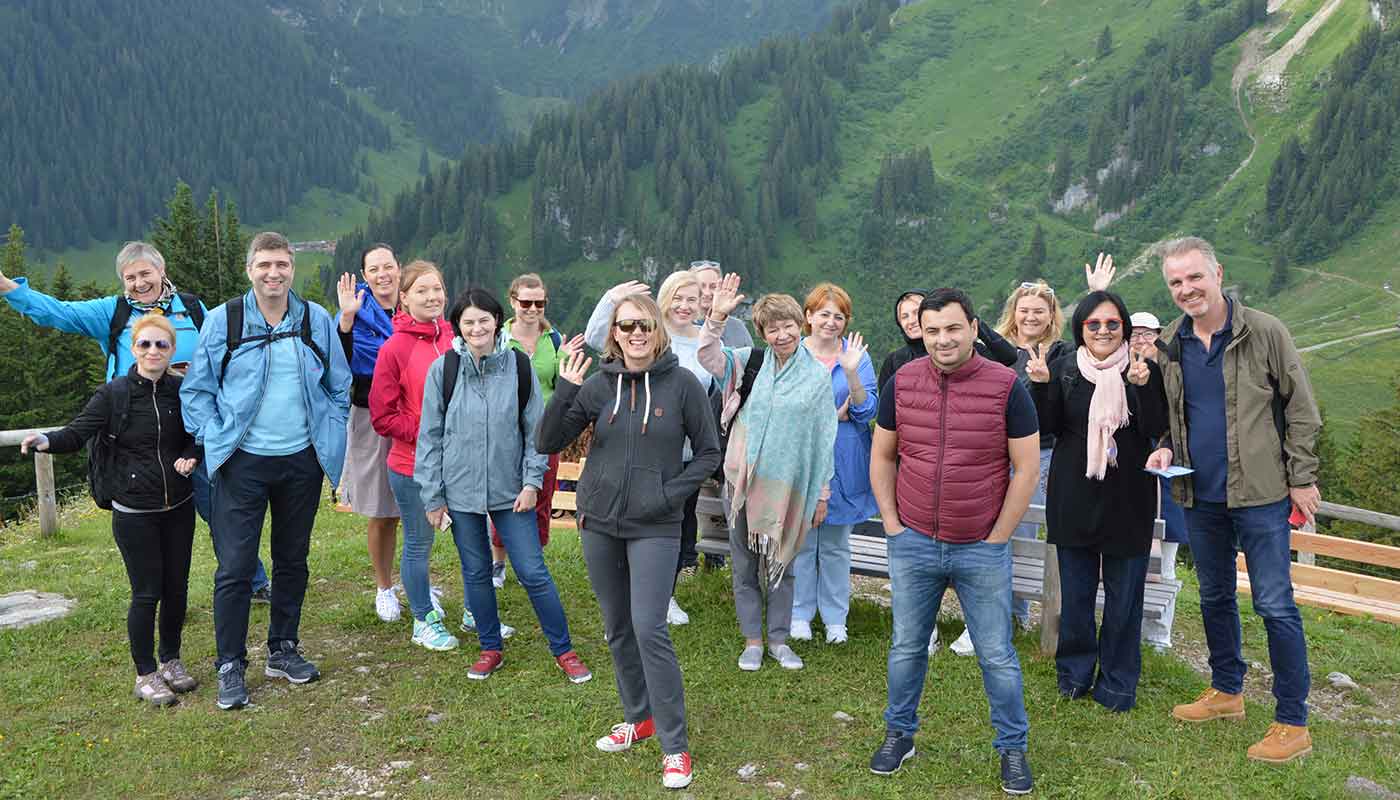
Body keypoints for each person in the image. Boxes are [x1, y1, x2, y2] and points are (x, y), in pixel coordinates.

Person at [0, 241, 272, 600]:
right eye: (130, 277)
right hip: (137, 439)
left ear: (161, 271)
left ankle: (253, 583)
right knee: (149, 521)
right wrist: (7, 286)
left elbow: (222, 355)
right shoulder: (111, 313)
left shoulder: (192, 309)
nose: (139, 283)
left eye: (146, 273)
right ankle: (155, 599)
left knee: (221, 510)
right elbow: (58, 312)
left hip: (195, 431)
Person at [1147, 237, 1321, 763]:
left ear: (1218, 273)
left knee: (1274, 604)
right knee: (1215, 596)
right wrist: (1163, 446)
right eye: (1176, 282)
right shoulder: (1170, 342)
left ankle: (1293, 721)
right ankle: (1227, 691)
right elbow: (1173, 415)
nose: (1186, 289)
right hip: (1199, 494)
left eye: (1194, 277)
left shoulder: (1264, 332)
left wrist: (1301, 478)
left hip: (1262, 495)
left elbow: (1302, 409)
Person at [538, 291, 720, 790]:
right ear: (614, 334)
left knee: (649, 628)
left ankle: (675, 746)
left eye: (644, 325)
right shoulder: (599, 385)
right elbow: (547, 441)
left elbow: (709, 453)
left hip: (655, 525)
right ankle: (639, 718)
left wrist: (667, 495)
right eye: (626, 326)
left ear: (657, 331)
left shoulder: (682, 385)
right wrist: (565, 389)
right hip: (599, 522)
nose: (636, 333)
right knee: (617, 628)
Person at [867, 288, 1038, 795]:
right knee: (906, 648)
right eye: (933, 330)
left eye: (953, 328)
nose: (943, 339)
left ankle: (1012, 748)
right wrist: (893, 525)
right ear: (921, 332)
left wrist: (997, 538)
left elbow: (1027, 469)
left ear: (974, 328)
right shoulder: (902, 382)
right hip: (914, 540)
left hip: (980, 545)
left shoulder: (1007, 387)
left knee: (997, 654)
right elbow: (883, 456)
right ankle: (899, 734)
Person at [181, 231, 352, 711]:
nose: (273, 274)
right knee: (236, 566)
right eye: (264, 265)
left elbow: (339, 386)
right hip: (243, 461)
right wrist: (216, 437)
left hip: (301, 459)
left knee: (292, 560)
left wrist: (331, 431)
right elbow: (197, 390)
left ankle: (283, 648)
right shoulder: (225, 320)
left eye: (281, 265)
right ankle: (230, 664)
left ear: (292, 268)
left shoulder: (314, 319)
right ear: (249, 269)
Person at [22, 314, 200, 706]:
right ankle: (146, 674)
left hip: (178, 505)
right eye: (145, 344)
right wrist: (45, 440)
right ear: (133, 348)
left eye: (162, 345)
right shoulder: (113, 394)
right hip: (134, 511)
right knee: (147, 592)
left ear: (172, 350)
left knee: (176, 588)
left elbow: (196, 435)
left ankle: (171, 661)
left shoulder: (180, 390)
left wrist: (192, 456)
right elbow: (76, 433)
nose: (153, 351)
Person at [417, 287, 591, 684]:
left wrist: (531, 483)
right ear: (458, 326)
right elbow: (430, 438)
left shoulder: (519, 367)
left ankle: (564, 650)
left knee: (532, 571)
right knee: (476, 571)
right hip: (460, 490)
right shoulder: (443, 370)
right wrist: (433, 497)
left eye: (484, 320)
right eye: (469, 322)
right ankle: (490, 648)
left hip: (512, 491)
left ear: (497, 322)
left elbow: (536, 434)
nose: (477, 328)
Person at [1026, 290, 1168, 712]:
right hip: (1074, 495)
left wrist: (1142, 389)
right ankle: (1074, 677)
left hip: (1129, 498)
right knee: (1076, 596)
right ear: (1081, 329)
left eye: (1112, 324)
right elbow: (1046, 426)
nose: (1103, 331)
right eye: (1094, 324)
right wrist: (1040, 387)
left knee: (1125, 601)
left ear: (1124, 327)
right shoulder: (1065, 368)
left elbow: (1156, 428)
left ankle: (1118, 686)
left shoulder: (1142, 369)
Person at [698, 274, 837, 673]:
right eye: (772, 329)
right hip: (742, 482)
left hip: (789, 487)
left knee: (783, 563)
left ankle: (778, 639)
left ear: (801, 325)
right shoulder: (749, 362)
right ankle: (753, 641)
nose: (782, 335)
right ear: (762, 333)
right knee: (744, 564)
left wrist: (821, 493)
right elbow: (708, 356)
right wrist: (716, 318)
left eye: (788, 325)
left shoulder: (816, 376)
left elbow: (823, 437)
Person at [369, 261, 489, 650]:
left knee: (472, 540)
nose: (432, 297)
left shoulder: (458, 337)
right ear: (404, 298)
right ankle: (423, 621)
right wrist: (430, 431)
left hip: (464, 463)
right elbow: (382, 416)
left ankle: (476, 612)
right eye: (421, 290)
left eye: (437, 289)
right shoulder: (394, 348)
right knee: (419, 544)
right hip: (413, 467)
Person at [584, 272, 715, 626]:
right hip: (641, 451)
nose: (684, 306)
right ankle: (627, 598)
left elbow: (720, 377)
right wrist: (610, 299)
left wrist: (718, 320)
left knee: (679, 526)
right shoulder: (645, 333)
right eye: (678, 298)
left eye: (692, 299)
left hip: (685, 456)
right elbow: (597, 337)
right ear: (664, 300)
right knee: (629, 524)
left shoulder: (704, 339)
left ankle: (662, 596)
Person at [789, 283, 877, 645]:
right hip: (799, 456)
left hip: (844, 460)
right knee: (802, 542)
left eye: (839, 316)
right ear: (808, 317)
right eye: (824, 314)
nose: (831, 322)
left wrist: (851, 372)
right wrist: (828, 415)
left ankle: (835, 618)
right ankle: (799, 614)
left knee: (837, 545)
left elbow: (866, 411)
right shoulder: (792, 352)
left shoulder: (856, 356)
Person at [489, 273, 584, 590]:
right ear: (513, 301)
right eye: (526, 302)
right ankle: (498, 562)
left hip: (545, 432)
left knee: (542, 497)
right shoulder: (498, 338)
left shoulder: (553, 340)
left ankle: (533, 561)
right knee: (504, 496)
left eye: (539, 303)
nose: (532, 309)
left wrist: (564, 360)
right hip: (506, 432)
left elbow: (559, 386)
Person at [336, 243, 404, 622]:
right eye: (374, 269)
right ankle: (383, 587)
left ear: (399, 268)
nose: (382, 275)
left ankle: (416, 580)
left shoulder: (414, 303)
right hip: (373, 416)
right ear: (364, 275)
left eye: (387, 266)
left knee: (420, 506)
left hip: (416, 415)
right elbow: (339, 361)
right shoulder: (356, 309)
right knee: (382, 509)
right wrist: (346, 321)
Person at [1128, 310, 1190, 651]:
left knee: (1165, 559)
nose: (1140, 340)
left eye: (1148, 334)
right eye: (1134, 334)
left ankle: (1158, 635)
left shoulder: (1175, 373)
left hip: (1168, 476)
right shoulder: (1121, 373)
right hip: (1132, 476)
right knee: (1129, 558)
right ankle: (1129, 626)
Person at [877, 287, 1019, 390]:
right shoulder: (895, 361)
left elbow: (1009, 357)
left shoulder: (963, 351)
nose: (911, 321)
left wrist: (969, 319)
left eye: (916, 313)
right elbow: (887, 407)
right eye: (904, 316)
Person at [689, 260, 753, 347]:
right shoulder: (680, 325)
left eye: (713, 287)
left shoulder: (737, 328)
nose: (707, 292)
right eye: (702, 286)